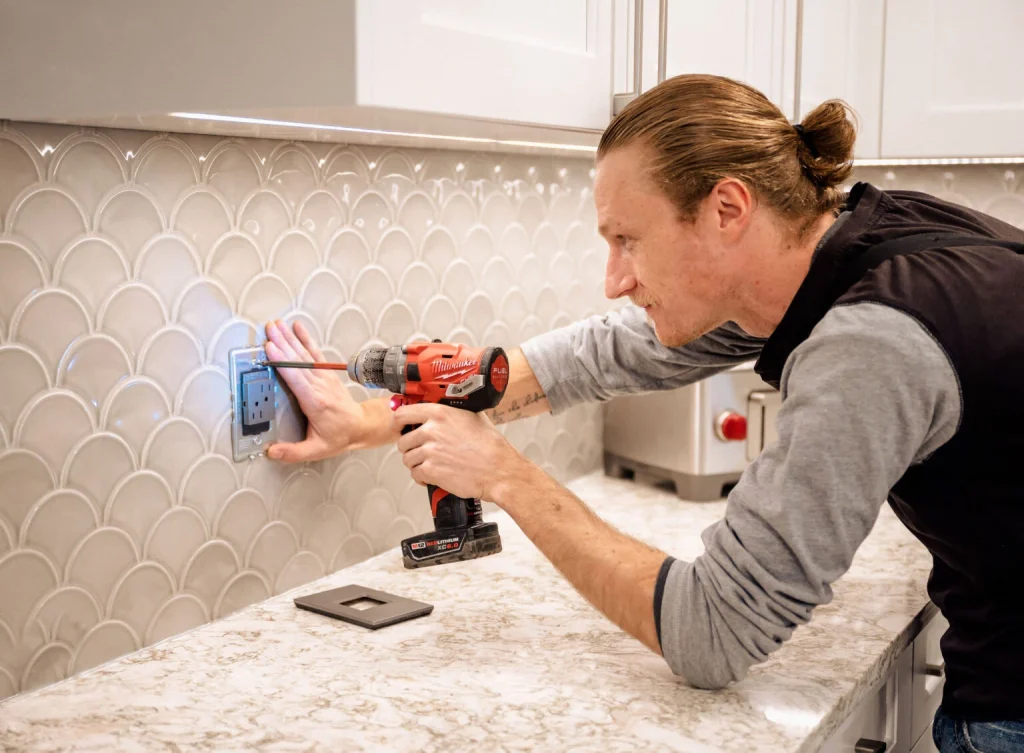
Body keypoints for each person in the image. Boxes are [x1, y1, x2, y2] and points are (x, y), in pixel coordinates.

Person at [264, 74, 1024, 752]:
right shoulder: (863, 238)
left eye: (628, 239)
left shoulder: (869, 338)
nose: (613, 278)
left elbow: (715, 630)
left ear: (727, 208)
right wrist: (366, 421)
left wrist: (505, 476)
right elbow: (612, 353)